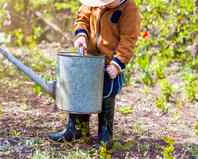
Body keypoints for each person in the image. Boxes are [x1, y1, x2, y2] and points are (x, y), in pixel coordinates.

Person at [48, 0, 141, 150]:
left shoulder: (129, 9)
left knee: (105, 96)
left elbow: (128, 40)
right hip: (89, 58)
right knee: (79, 91)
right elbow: (82, 19)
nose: (102, 5)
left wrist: (118, 63)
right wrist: (81, 35)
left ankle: (105, 134)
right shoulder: (92, 4)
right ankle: (77, 129)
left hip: (109, 63)